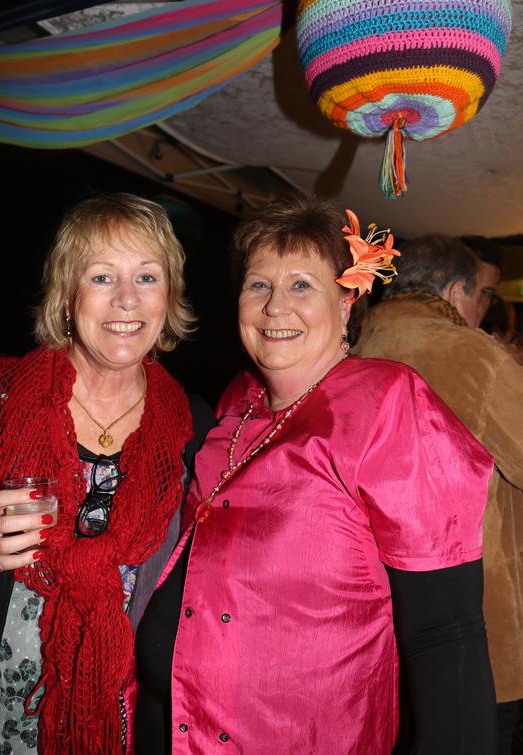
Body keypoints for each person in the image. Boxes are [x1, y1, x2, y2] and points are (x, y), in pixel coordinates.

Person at [134, 195, 497, 755]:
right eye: (259, 285)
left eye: (302, 285)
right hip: (179, 727)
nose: (276, 306)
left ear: (347, 300)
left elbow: (444, 633)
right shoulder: (239, 399)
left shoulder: (389, 404)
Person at [0, 193, 212, 755]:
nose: (126, 300)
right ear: (67, 295)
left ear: (170, 295)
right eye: (101, 277)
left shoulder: (194, 424)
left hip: (123, 706)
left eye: (146, 276)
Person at [354, 234, 523, 755]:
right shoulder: (469, 353)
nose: (481, 312)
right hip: (478, 621)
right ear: (454, 292)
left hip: (373, 625)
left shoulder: (346, 348)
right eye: (482, 298)